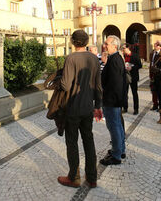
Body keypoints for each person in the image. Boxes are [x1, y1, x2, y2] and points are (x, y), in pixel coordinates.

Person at [57, 30, 103, 188]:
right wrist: (98, 105)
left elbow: (65, 85)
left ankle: (74, 177)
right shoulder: (94, 58)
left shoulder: (71, 58)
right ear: (86, 42)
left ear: (73, 42)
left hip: (73, 107)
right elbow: (98, 85)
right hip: (88, 107)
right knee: (88, 140)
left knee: (72, 142)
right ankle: (92, 178)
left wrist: (60, 77)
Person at [100, 35, 127, 165]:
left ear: (114, 46)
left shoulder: (115, 59)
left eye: (107, 44)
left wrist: (110, 99)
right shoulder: (115, 58)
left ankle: (116, 155)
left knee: (114, 126)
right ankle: (120, 149)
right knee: (117, 126)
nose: (104, 46)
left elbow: (115, 84)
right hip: (114, 99)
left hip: (112, 100)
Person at [122, 43, 142, 115]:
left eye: (124, 48)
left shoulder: (135, 55)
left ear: (128, 48)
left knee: (134, 93)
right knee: (125, 93)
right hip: (125, 77)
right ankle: (125, 108)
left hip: (133, 77)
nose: (123, 50)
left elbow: (140, 65)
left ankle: (136, 109)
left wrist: (132, 67)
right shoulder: (123, 56)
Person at [149, 41, 161, 110]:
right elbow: (151, 63)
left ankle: (160, 105)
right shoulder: (152, 53)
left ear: (160, 47)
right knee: (153, 89)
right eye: (154, 45)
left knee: (159, 90)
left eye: (156, 46)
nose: (155, 47)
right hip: (152, 73)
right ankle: (155, 104)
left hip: (158, 74)